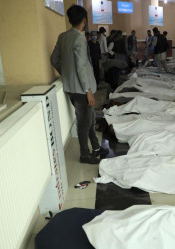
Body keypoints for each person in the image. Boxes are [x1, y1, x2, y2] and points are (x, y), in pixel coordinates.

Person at [50, 5, 108, 164]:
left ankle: (96, 147)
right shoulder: (79, 38)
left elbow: (54, 59)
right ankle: (85, 155)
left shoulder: (63, 36)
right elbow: (82, 66)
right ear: (84, 21)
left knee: (88, 119)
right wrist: (88, 90)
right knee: (84, 124)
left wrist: (67, 75)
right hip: (83, 90)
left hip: (72, 88)